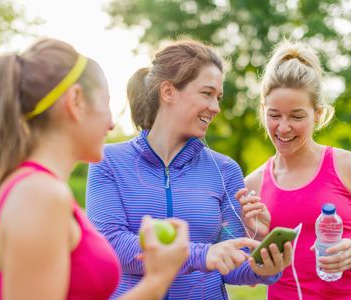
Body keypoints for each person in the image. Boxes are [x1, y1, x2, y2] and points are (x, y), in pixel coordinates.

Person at [0, 38, 190, 300]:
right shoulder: (40, 195)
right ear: (76, 101)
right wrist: (158, 279)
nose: (110, 123)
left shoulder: (29, 186)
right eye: (107, 103)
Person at [86, 40, 292, 300]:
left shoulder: (225, 170)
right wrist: (202, 254)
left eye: (218, 98)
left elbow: (230, 264)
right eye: (206, 93)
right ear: (168, 91)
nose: (216, 108)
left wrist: (263, 265)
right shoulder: (109, 161)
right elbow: (112, 245)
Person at [240, 40, 351, 299]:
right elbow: (249, 273)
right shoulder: (252, 184)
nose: (284, 127)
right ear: (262, 111)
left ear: (318, 113)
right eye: (274, 115)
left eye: (297, 116)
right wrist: (258, 236)